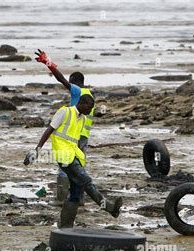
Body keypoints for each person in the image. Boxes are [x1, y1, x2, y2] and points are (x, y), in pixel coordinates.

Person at [24, 94, 122, 228]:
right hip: (64, 156)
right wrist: (37, 150)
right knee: (86, 181)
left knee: (76, 192)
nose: (90, 110)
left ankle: (65, 226)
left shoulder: (81, 118)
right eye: (89, 107)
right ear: (81, 104)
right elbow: (49, 130)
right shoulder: (64, 112)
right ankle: (110, 208)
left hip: (73, 155)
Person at [35, 49, 95, 205]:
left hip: (72, 137)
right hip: (84, 137)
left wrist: (48, 63)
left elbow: (61, 79)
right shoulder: (90, 95)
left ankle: (61, 199)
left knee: (64, 165)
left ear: (75, 81)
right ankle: (79, 198)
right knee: (79, 166)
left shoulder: (78, 91)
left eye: (71, 83)